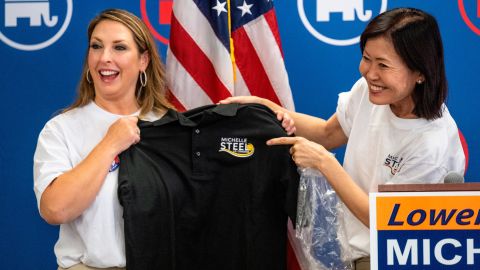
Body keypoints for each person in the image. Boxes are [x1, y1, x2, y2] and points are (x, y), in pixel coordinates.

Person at [220, 7, 465, 269]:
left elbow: (386, 220)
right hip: (352, 251)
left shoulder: (430, 143)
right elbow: (328, 133)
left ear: (420, 73)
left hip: (395, 258)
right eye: (366, 58)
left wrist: (324, 163)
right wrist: (267, 108)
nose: (369, 73)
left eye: (383, 65)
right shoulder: (372, 91)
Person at [33, 9, 172, 270]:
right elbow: (55, 210)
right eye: (96, 46)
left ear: (143, 60)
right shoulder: (61, 129)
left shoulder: (171, 126)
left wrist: (269, 116)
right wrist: (110, 144)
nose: (104, 58)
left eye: (119, 47)